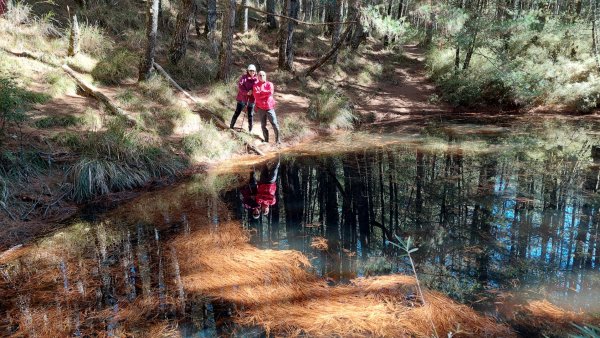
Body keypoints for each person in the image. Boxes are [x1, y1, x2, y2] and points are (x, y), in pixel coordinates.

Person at [252, 71, 280, 144]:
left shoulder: (270, 84)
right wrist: (264, 93)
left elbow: (270, 93)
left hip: (269, 107)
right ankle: (266, 140)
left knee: (274, 124)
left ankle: (278, 141)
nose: (262, 76)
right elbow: (256, 96)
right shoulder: (255, 86)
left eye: (263, 75)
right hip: (261, 108)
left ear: (266, 76)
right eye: (260, 75)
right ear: (258, 76)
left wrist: (261, 92)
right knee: (263, 125)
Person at [230, 64, 258, 131]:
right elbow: (240, 87)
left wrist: (253, 91)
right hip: (242, 98)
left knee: (250, 114)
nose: (252, 72)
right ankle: (231, 126)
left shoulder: (256, 79)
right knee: (237, 112)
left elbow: (258, 88)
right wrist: (246, 92)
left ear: (255, 71)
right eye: (250, 71)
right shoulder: (244, 78)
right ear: (248, 71)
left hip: (251, 99)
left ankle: (250, 130)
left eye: (253, 71)